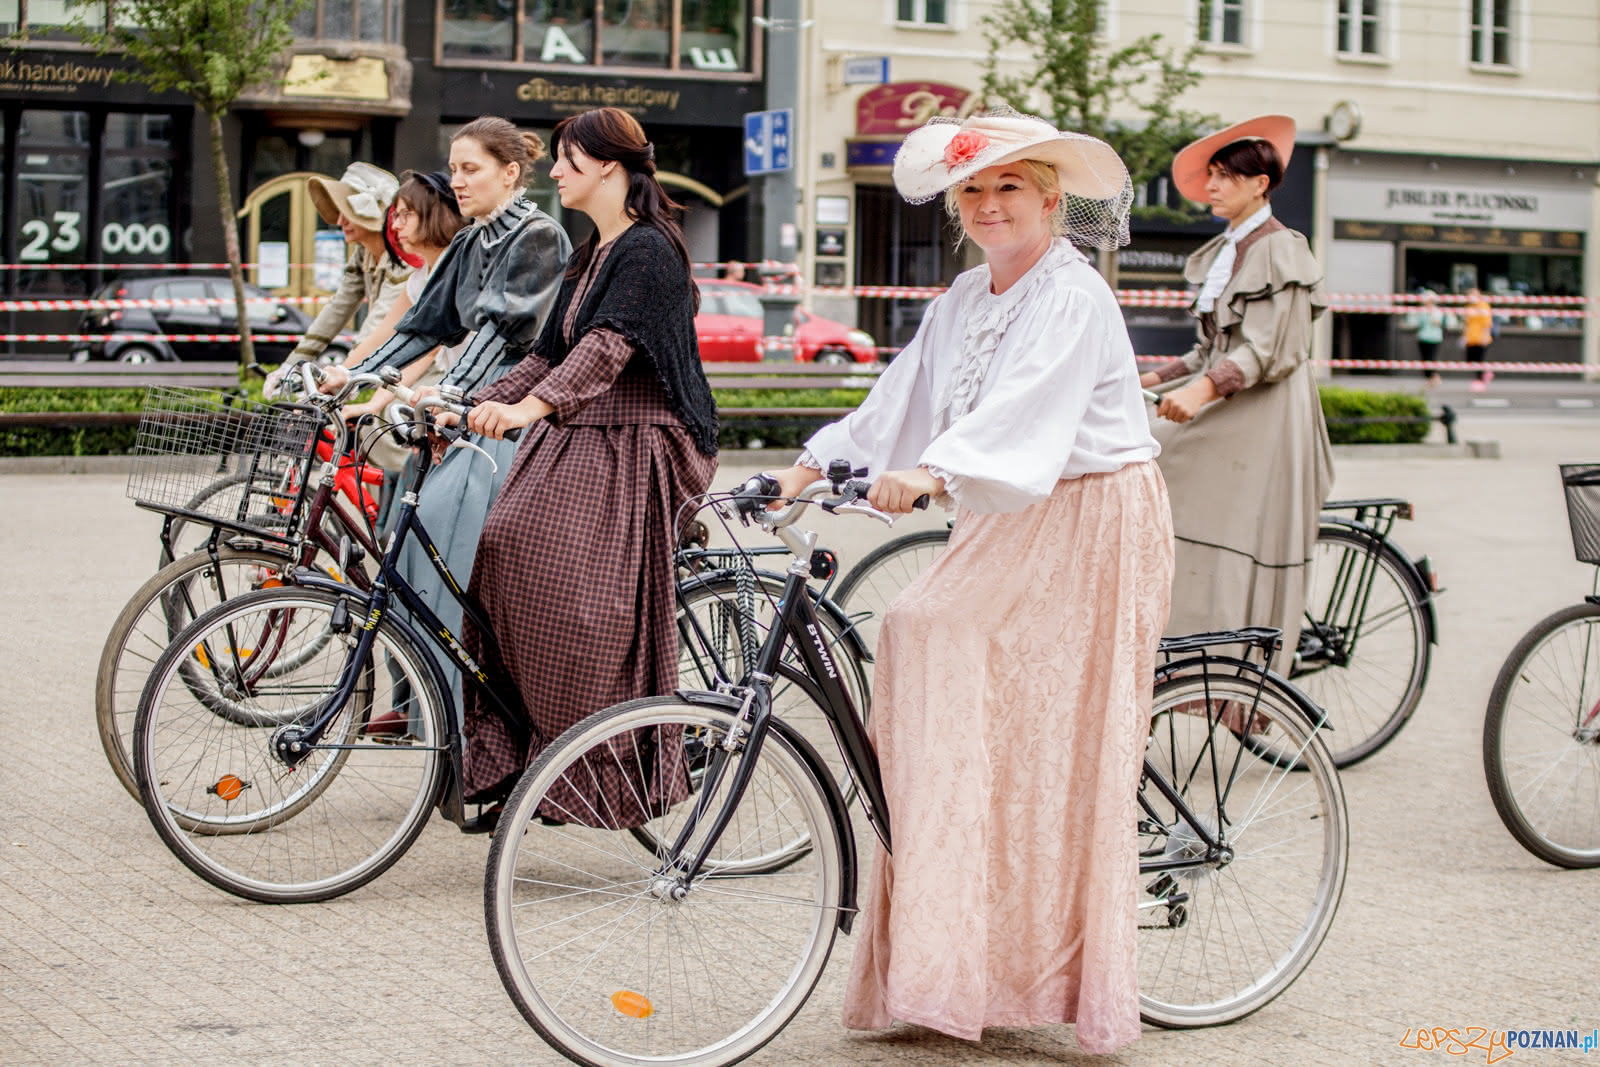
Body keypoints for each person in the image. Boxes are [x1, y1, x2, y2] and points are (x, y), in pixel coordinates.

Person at [767, 110, 1175, 1054]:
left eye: (1009, 189)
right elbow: (897, 397)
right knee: (917, 636)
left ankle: (1041, 961)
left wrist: (935, 474)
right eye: (974, 192)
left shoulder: (1074, 296)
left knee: (982, 679)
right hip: (1010, 511)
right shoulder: (962, 296)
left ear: (1050, 201)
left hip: (1089, 513)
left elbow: (1026, 409)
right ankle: (958, 951)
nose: (990, 206)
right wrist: (809, 467)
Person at [459, 107, 719, 809]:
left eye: (568, 158)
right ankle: (532, 750)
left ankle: (597, 762)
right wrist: (461, 403)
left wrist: (526, 411)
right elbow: (547, 355)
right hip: (583, 427)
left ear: (608, 165)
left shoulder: (649, 249)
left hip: (642, 439)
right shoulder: (591, 252)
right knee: (501, 548)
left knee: (573, 594)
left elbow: (607, 350)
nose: (555, 169)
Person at [316, 119, 572, 723]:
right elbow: (423, 329)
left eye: (470, 169)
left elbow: (501, 335)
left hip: (507, 427)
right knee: (404, 548)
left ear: (510, 172)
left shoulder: (538, 237)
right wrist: (351, 377)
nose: (457, 181)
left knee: (446, 546)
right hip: (461, 420)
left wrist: (448, 396)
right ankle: (421, 706)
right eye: (453, 168)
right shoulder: (469, 241)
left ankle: (470, 717)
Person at [1138, 114, 1332, 675]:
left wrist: (1200, 391)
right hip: (1231, 398)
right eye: (1213, 176)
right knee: (1136, 443)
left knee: (1152, 456)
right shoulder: (1229, 250)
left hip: (1265, 409)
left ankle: (1223, 660)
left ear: (1259, 184)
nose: (1213, 186)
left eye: (1225, 176)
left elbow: (1269, 349)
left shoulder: (1280, 249)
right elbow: (1208, 350)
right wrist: (1146, 379)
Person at [289, 163, 413, 366]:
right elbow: (340, 304)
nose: (339, 221)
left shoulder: (406, 254)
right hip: (390, 367)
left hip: (422, 372)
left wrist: (347, 370)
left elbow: (382, 319)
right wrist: (294, 362)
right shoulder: (363, 251)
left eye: (348, 213)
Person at [1462, 286, 1495, 391]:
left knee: (1479, 361)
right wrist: (1464, 336)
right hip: (1471, 337)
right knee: (1470, 360)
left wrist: (1485, 336)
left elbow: (1487, 323)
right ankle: (1486, 373)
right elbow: (1466, 323)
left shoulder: (1483, 306)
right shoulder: (1469, 307)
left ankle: (1480, 381)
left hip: (1481, 337)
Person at [1413, 288, 1444, 387]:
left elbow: (1438, 323)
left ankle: (1435, 377)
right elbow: (1418, 323)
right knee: (1425, 359)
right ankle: (1430, 378)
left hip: (1434, 338)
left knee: (1431, 359)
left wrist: (1431, 314)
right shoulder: (1422, 311)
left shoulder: (1437, 311)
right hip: (1423, 337)